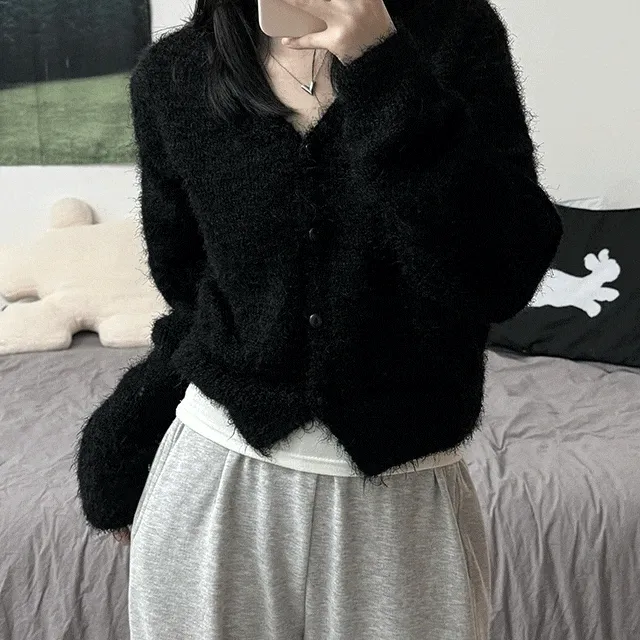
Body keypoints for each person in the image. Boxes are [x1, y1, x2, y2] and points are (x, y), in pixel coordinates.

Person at [75, 0, 563, 638]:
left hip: (401, 496)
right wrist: (126, 431)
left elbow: (499, 278)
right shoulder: (176, 74)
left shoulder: (454, 38)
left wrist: (382, 66)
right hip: (214, 483)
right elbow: (196, 298)